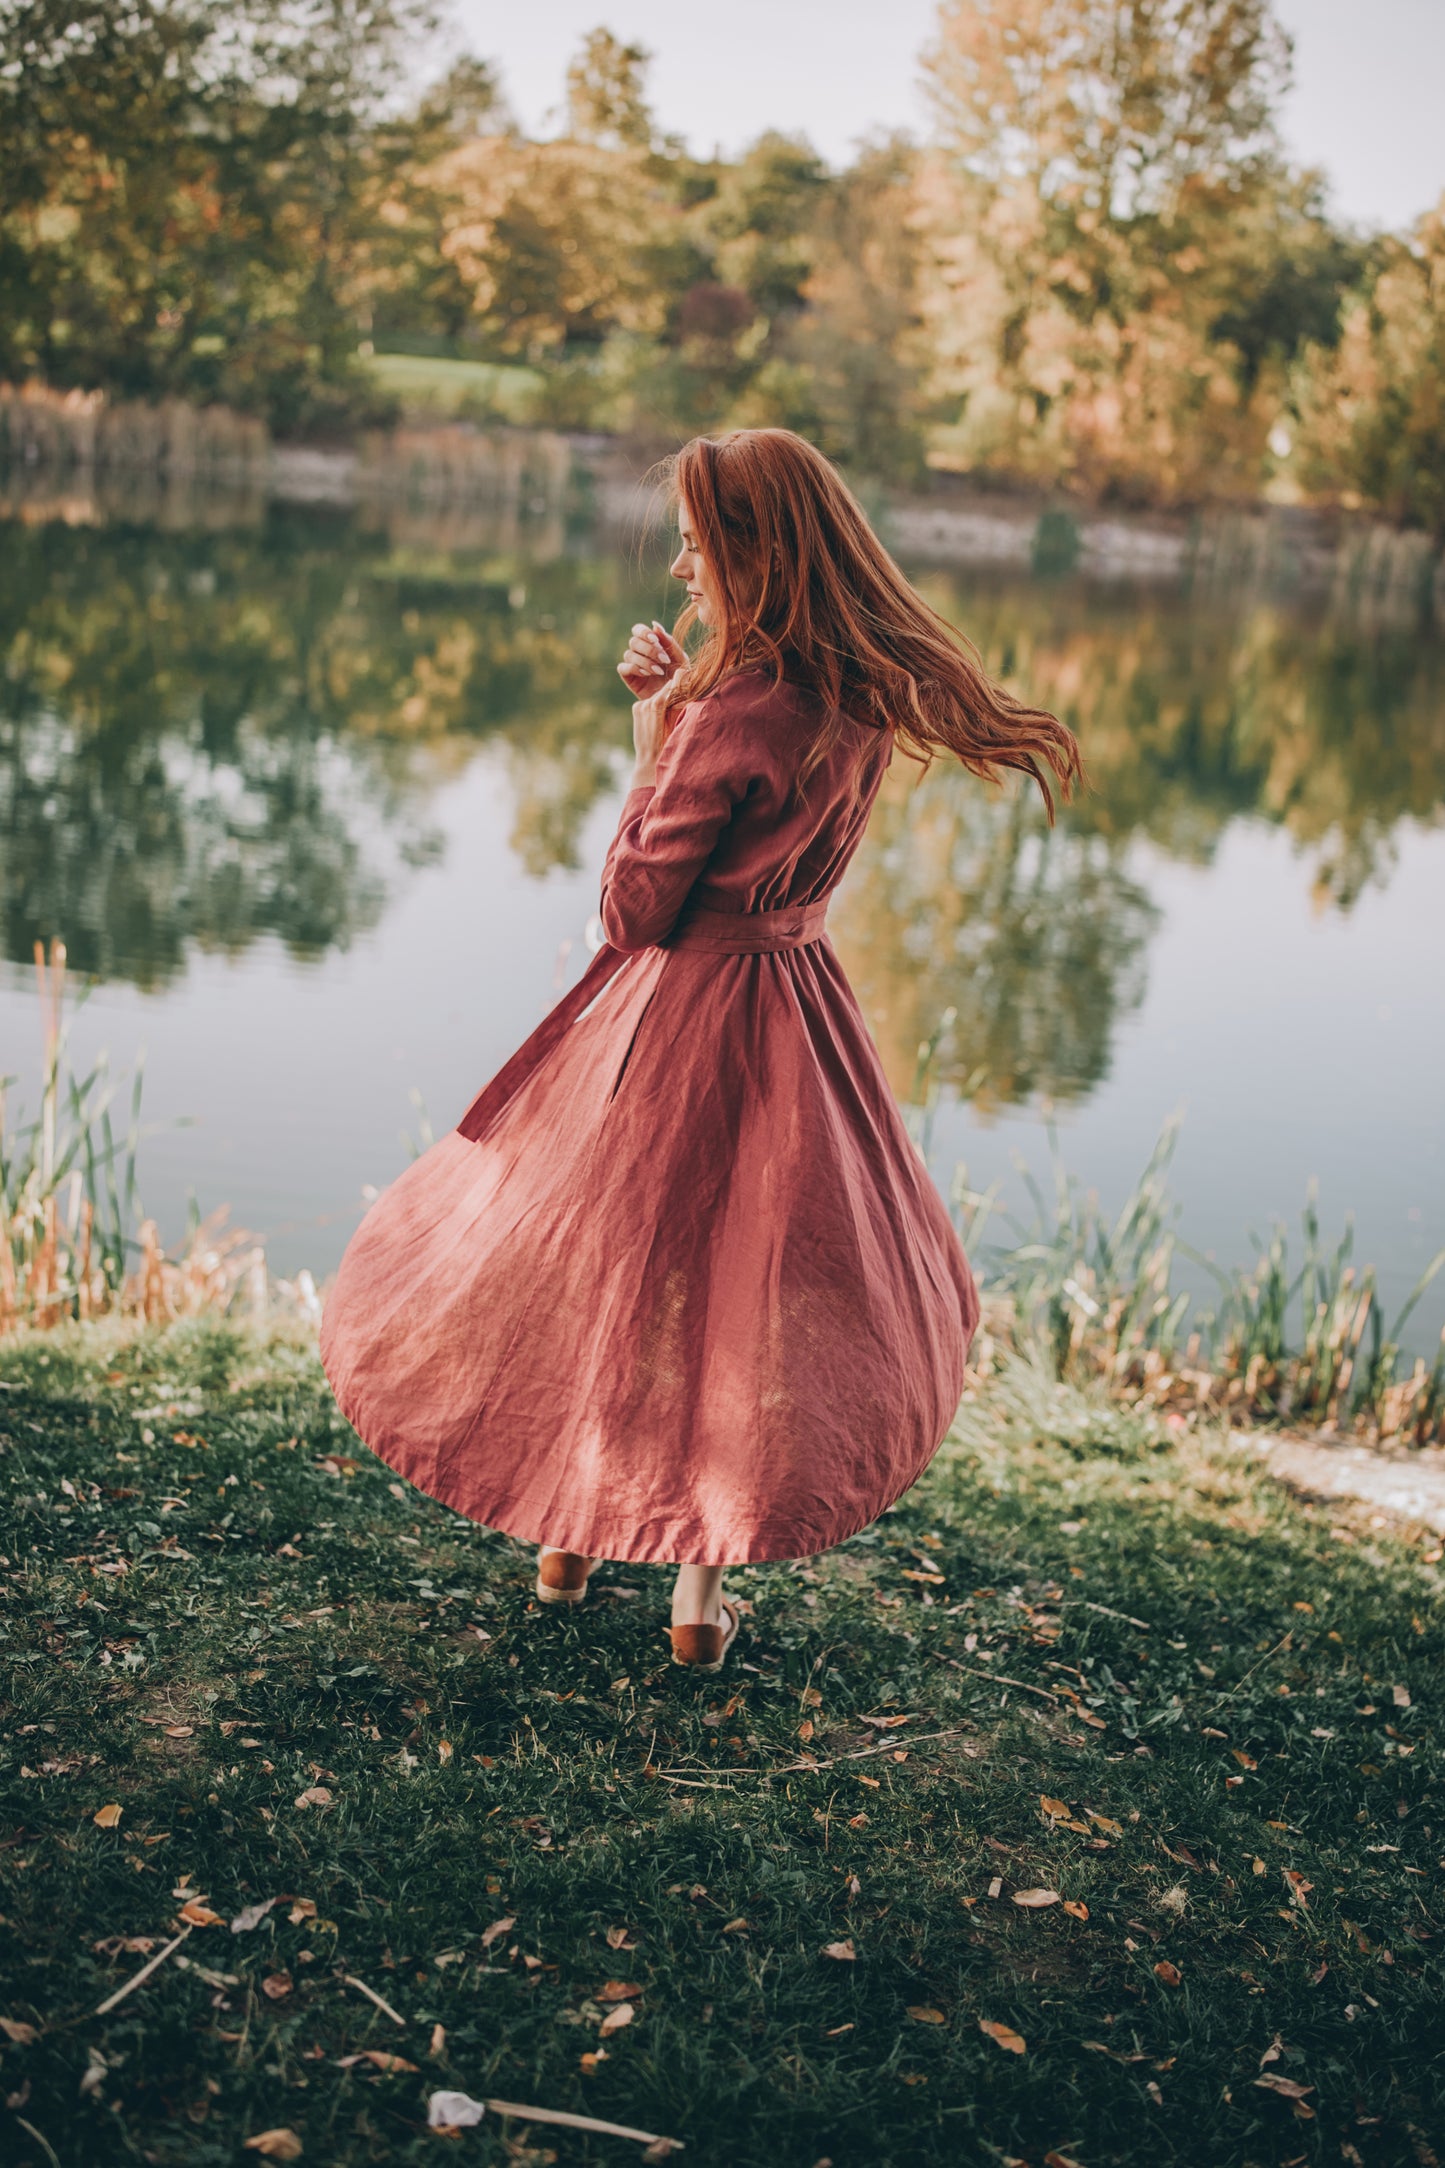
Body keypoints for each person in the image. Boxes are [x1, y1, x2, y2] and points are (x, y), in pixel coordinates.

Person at [320, 428, 1081, 1673]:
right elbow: (772, 867)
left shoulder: (735, 710)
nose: (678, 566)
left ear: (751, 556)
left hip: (679, 1024)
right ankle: (690, 1592)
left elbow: (636, 908)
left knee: (609, 1253)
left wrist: (662, 736)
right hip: (796, 1011)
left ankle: (566, 1536)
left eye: (693, 542)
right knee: (737, 1284)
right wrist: (671, 716)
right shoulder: (858, 699)